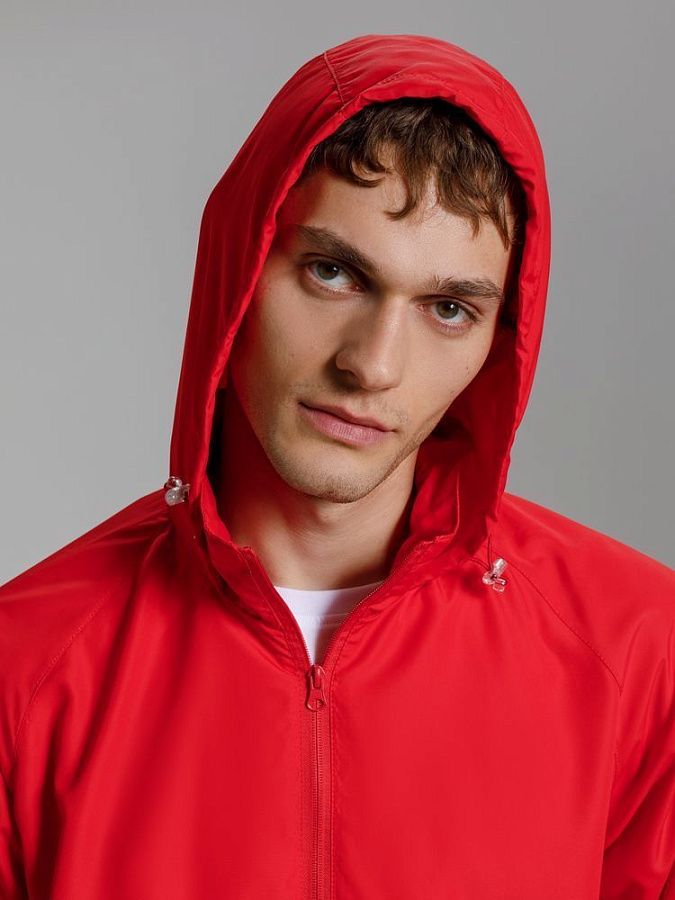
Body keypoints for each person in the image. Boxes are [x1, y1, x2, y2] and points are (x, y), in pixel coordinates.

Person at [0, 32, 673, 899]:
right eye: (332, 272)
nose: (373, 365)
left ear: (497, 341)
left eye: (447, 308)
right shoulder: (24, 665)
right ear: (239, 272)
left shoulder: (641, 656)